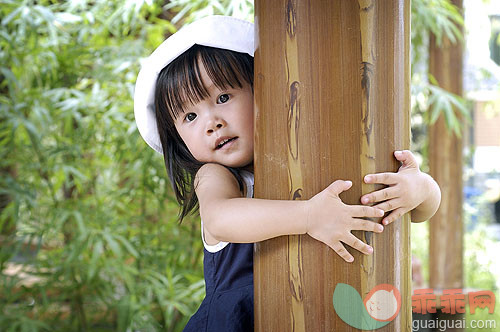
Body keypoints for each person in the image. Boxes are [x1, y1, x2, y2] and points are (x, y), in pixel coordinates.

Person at [134, 15, 441, 332]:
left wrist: (420, 189)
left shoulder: (305, 160)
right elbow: (219, 218)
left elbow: (420, 212)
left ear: (264, 92)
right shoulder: (216, 175)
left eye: (223, 98)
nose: (211, 122)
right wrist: (309, 215)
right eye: (190, 116)